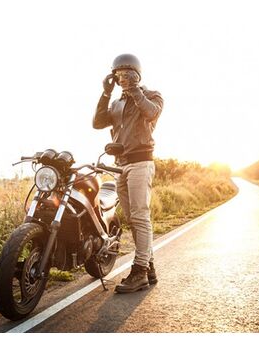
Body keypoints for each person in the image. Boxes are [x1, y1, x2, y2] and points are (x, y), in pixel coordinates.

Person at [92, 54, 164, 293]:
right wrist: (105, 93)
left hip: (141, 162)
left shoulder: (151, 95)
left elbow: (151, 113)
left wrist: (135, 89)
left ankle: (140, 271)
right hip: (119, 166)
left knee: (140, 216)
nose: (122, 79)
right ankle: (149, 266)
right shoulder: (116, 103)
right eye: (117, 75)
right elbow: (97, 123)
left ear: (136, 75)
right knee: (132, 219)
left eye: (126, 74)